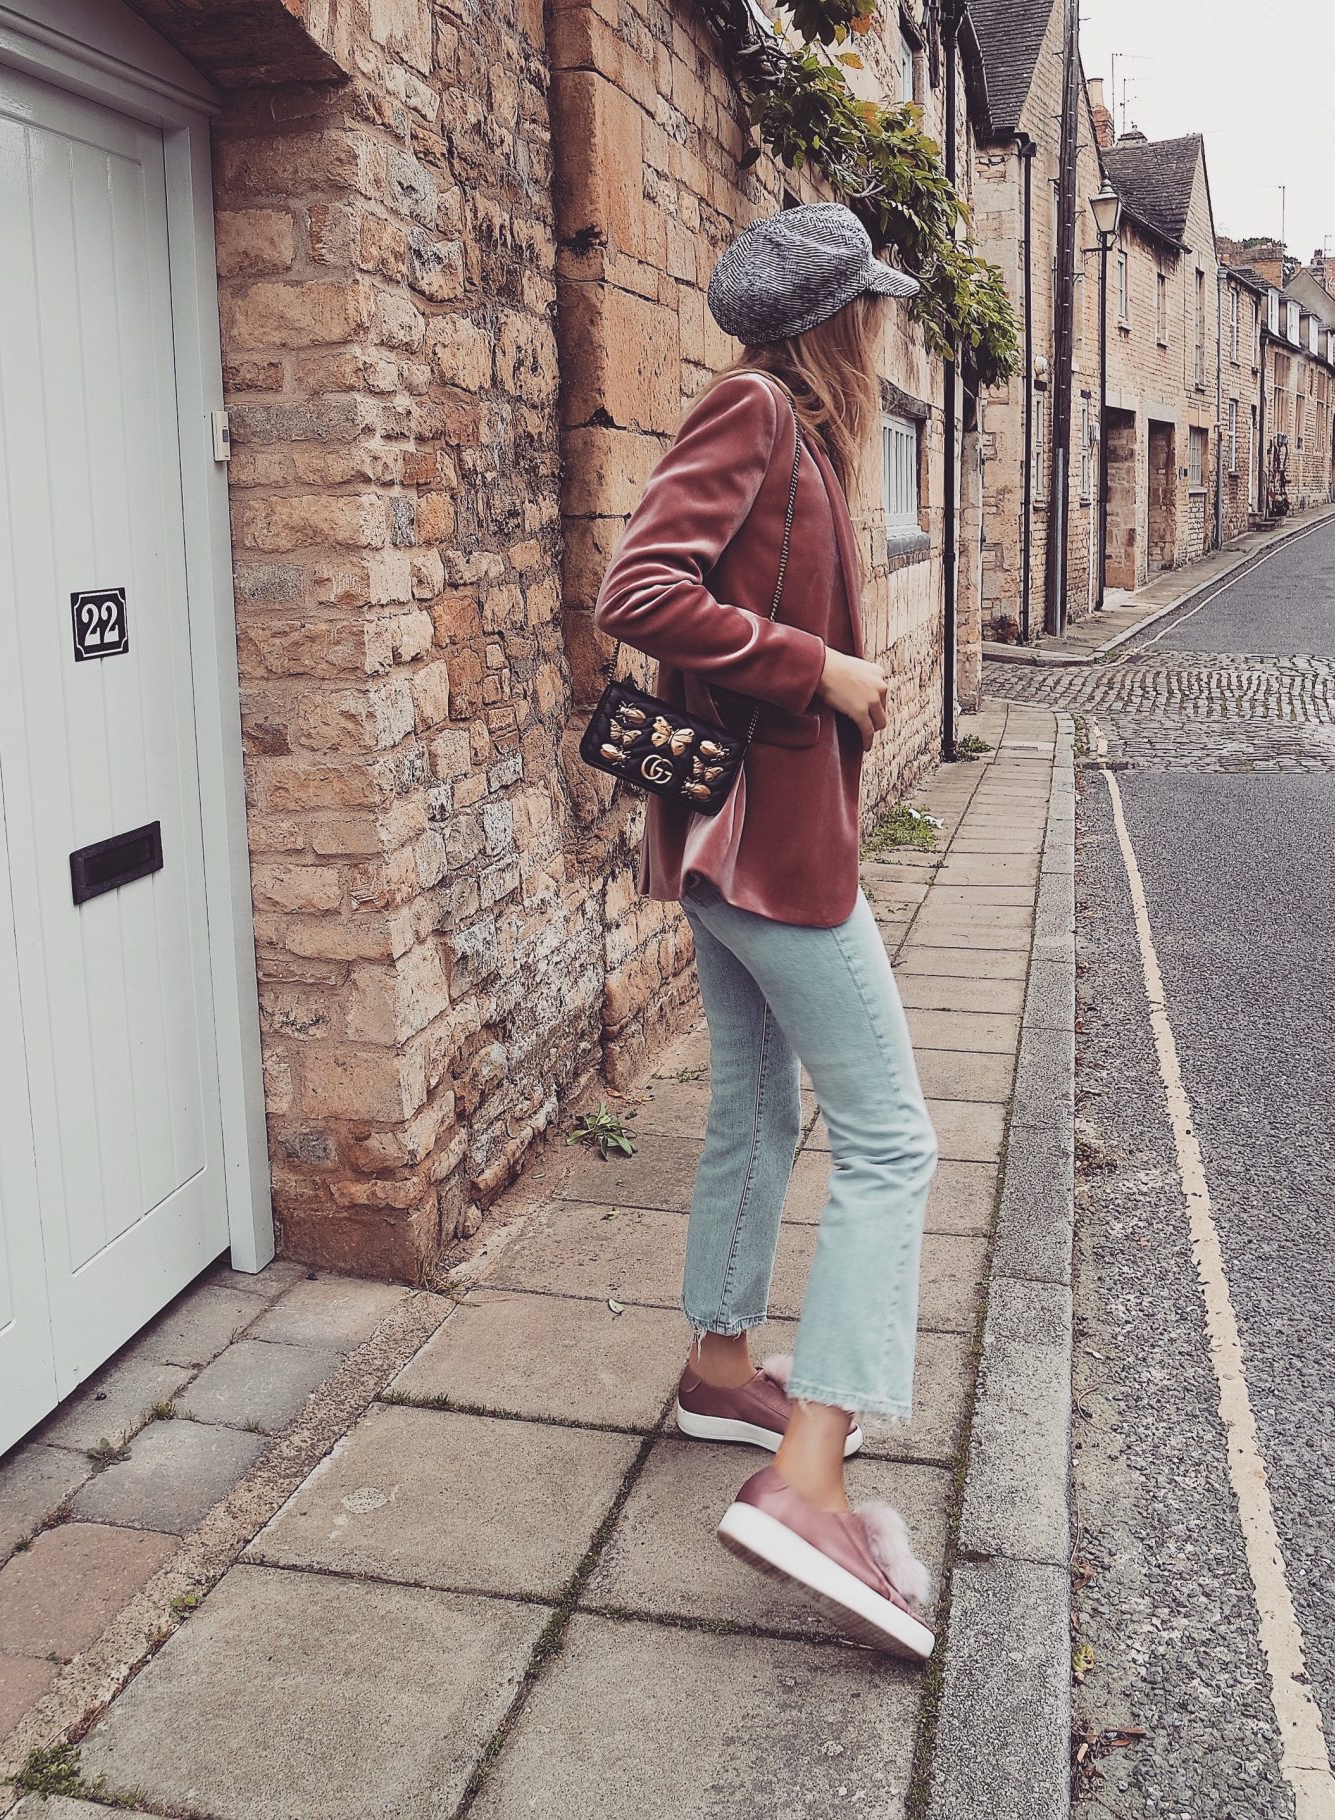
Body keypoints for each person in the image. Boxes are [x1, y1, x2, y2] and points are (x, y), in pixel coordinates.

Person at [594, 202, 940, 1661]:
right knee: (894, 1141)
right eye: (871, 308)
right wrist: (826, 675)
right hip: (773, 848)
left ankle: (720, 1359)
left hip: (729, 846)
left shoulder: (799, 430)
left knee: (757, 1101)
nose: (884, 326)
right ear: (831, 323)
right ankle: (806, 1478)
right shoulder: (751, 409)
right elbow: (638, 590)